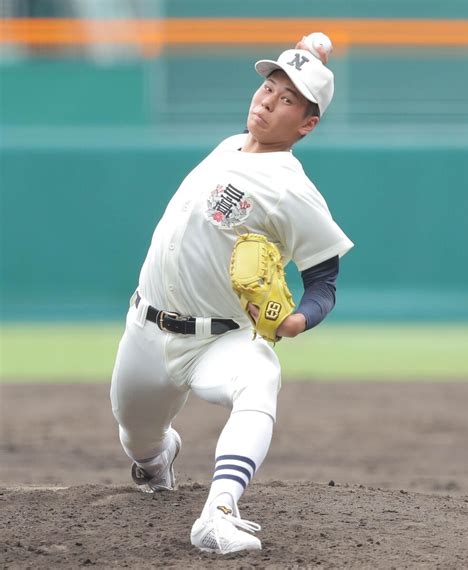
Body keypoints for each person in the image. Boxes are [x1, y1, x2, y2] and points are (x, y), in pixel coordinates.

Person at [110, 34, 354, 555]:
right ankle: (159, 460)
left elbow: (324, 282)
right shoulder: (228, 146)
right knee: (138, 440)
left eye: (287, 99)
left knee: (261, 376)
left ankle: (220, 512)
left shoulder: (293, 190)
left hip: (219, 341)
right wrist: (307, 57)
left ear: (307, 124)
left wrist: (294, 322)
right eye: (268, 87)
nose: (267, 100)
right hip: (146, 330)